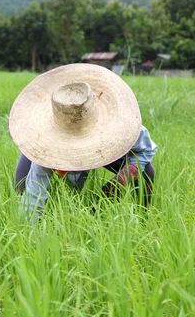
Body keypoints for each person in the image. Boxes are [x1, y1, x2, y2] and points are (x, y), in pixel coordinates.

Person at [9, 63, 158, 220]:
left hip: (103, 149)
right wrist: (27, 230)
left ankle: (144, 218)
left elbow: (147, 150)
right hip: (50, 142)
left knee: (147, 171)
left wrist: (122, 179)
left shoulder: (123, 126)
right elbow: (34, 197)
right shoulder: (45, 144)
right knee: (22, 185)